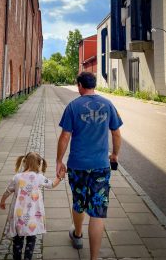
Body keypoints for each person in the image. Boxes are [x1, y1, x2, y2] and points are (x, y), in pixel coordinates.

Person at [56, 72, 122, 260]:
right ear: (93, 85)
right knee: (98, 210)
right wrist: (115, 154)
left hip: (77, 165)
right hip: (101, 166)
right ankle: (94, 258)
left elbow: (65, 136)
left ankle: (77, 235)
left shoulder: (73, 107)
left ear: (79, 85)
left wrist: (59, 161)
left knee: (79, 202)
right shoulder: (108, 105)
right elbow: (116, 134)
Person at [0, 151, 65, 260]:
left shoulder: (17, 177)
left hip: (18, 216)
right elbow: (52, 184)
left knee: (17, 240)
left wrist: (2, 201)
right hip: (33, 216)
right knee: (31, 239)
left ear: (24, 162)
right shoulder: (39, 177)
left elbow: (7, 191)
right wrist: (61, 177)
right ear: (39, 164)